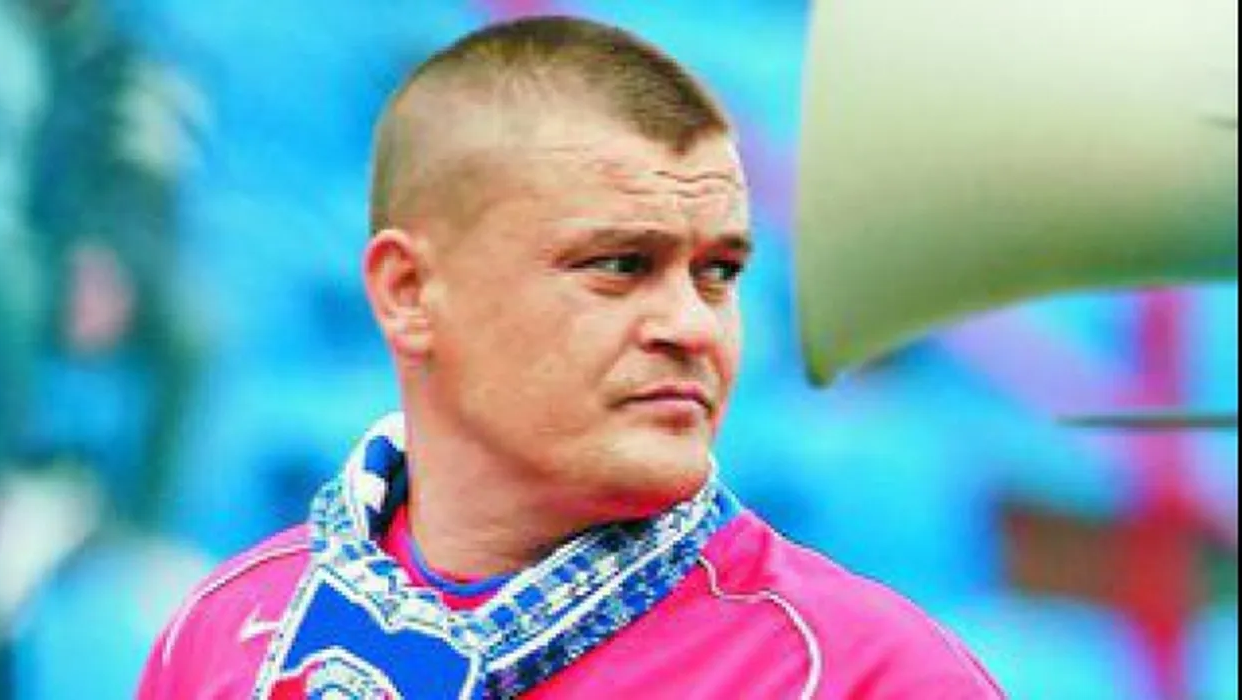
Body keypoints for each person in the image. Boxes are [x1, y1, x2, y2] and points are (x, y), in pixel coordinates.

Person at [138, 16, 1005, 699]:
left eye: (718, 273)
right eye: (620, 266)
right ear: (408, 291)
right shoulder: (225, 630)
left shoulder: (860, 675)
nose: (692, 326)